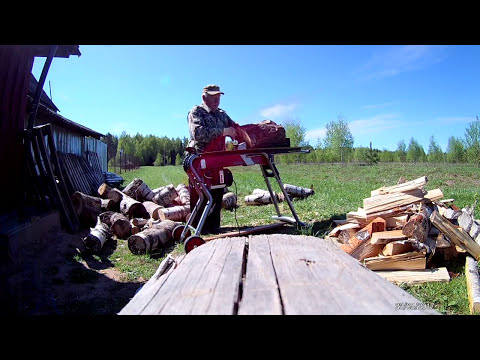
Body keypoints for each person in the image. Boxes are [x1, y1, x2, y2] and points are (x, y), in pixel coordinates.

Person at [186, 84, 242, 234]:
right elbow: (198, 133)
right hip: (200, 160)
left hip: (217, 160)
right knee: (201, 195)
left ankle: (214, 228)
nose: (217, 100)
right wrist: (223, 132)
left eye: (218, 97)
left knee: (217, 193)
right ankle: (200, 230)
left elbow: (235, 127)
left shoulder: (222, 114)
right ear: (204, 98)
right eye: (213, 97)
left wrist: (245, 133)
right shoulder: (196, 112)